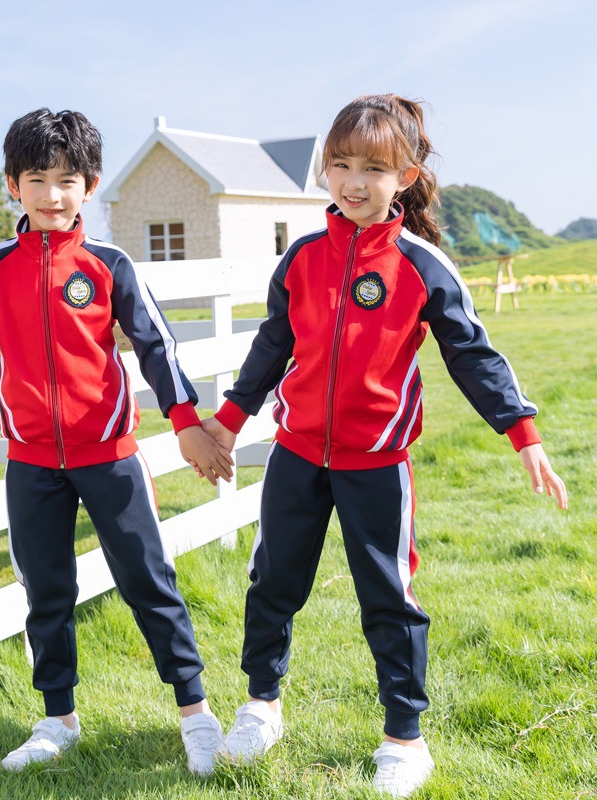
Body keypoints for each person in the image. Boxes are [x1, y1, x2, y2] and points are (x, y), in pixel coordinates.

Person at [196, 94, 568, 797]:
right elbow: (272, 349)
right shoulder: (302, 258)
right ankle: (260, 708)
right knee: (273, 583)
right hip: (296, 456)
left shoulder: (421, 264)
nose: (353, 181)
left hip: (377, 467)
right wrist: (227, 421)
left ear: (406, 173)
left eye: (372, 167)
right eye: (339, 164)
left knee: (388, 599)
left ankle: (404, 738)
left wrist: (524, 434)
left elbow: (474, 355)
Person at [0, 108, 235, 777]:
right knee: (46, 591)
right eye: (37, 179)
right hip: (30, 465)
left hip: (109, 459)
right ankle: (58, 719)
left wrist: (186, 422)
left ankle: (195, 713)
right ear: (12, 186)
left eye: (67, 180)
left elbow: (157, 350)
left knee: (149, 583)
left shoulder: (110, 265)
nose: (52, 194)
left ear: (90, 185)